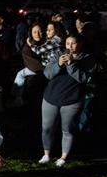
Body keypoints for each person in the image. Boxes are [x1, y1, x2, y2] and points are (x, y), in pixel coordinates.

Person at [39, 35, 94, 167]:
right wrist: (58, 64)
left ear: (80, 44)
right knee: (47, 128)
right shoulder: (58, 53)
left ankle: (64, 157)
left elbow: (83, 78)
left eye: (73, 43)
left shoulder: (87, 58)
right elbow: (47, 74)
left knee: (67, 129)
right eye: (68, 43)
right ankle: (46, 154)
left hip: (72, 100)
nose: (70, 46)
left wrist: (71, 64)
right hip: (51, 98)